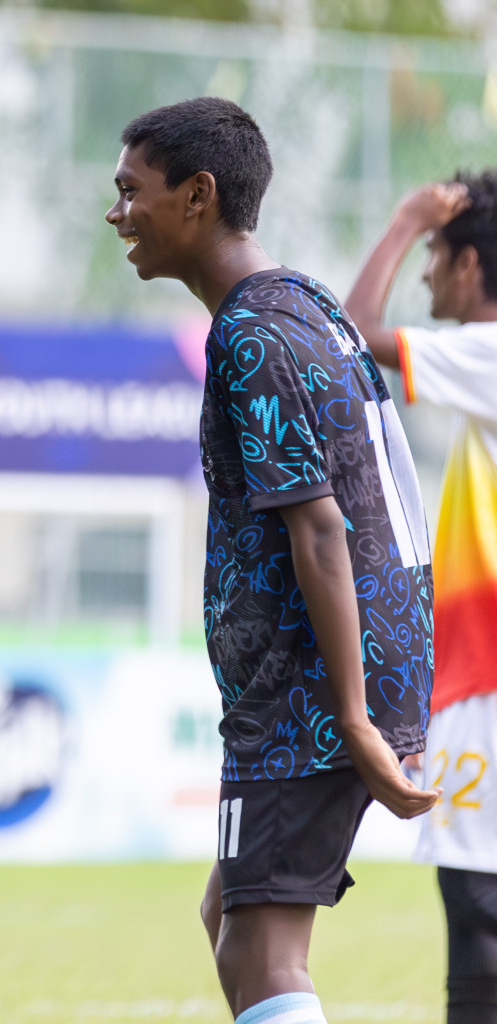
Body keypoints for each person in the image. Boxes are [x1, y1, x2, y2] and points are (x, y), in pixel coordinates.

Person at [105, 96, 438, 1024]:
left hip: (312, 692)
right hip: (351, 673)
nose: (116, 212)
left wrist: (355, 717)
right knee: (231, 918)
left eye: (130, 191)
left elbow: (322, 529)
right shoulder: (305, 303)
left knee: (261, 951)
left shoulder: (253, 334)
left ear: (198, 196)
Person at [344, 171, 497, 1024]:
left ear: (471, 264)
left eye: (437, 256)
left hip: (488, 685)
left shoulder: (489, 350)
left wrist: (404, 217)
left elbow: (353, 333)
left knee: (478, 906)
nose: (430, 274)